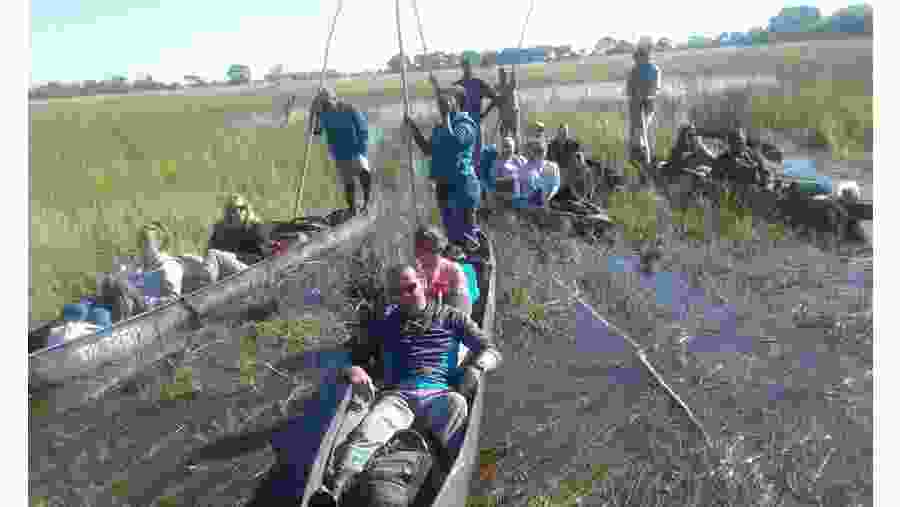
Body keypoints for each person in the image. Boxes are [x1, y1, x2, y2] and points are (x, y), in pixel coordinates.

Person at [315, 263, 502, 504]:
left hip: (439, 394)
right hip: (399, 397)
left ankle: (438, 482)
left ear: (422, 283)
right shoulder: (386, 323)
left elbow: (491, 351)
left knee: (457, 404)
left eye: (410, 288)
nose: (405, 296)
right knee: (368, 431)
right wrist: (353, 369)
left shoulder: (451, 317)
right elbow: (350, 357)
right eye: (396, 292)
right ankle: (338, 490)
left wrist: (477, 367)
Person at [404, 83, 482, 252]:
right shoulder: (440, 126)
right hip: (443, 185)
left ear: (458, 102)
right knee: (452, 235)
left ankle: (476, 262)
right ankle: (457, 261)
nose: (442, 102)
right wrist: (413, 129)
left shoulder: (466, 124)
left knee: (467, 236)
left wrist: (446, 116)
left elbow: (455, 143)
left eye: (448, 99)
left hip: (462, 185)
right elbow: (428, 149)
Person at [96, 222, 185, 323]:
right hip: (130, 306)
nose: (142, 247)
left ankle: (119, 324)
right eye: (139, 242)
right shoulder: (137, 264)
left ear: (158, 243)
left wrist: (139, 297)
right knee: (109, 282)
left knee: (118, 284)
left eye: (146, 242)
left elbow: (172, 301)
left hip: (151, 311)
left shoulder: (170, 267)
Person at [310, 87, 374, 216]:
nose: (326, 107)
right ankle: (352, 210)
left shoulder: (349, 109)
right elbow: (316, 131)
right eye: (323, 105)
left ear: (334, 99)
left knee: (364, 173)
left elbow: (362, 129)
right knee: (348, 183)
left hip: (356, 150)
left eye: (327, 104)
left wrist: (361, 150)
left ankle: (367, 202)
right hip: (340, 154)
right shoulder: (323, 114)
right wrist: (313, 112)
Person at [450, 56, 500, 175]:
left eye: (469, 65)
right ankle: (467, 176)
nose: (467, 68)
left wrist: (484, 114)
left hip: (476, 122)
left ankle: (478, 178)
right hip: (462, 124)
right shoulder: (458, 85)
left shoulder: (479, 83)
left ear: (472, 67)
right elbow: (448, 102)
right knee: (463, 153)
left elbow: (495, 98)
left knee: (477, 154)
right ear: (462, 67)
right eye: (465, 65)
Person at [414, 225, 475, 316]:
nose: (421, 255)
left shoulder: (454, 271)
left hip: (449, 316)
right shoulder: (416, 271)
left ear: (440, 250)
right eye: (418, 249)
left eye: (429, 250)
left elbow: (462, 310)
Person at [626, 38, 662, 163]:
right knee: (635, 131)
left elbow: (656, 88)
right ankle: (636, 156)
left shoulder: (654, 69)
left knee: (642, 130)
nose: (637, 60)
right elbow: (629, 89)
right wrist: (634, 96)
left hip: (647, 104)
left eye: (639, 57)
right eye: (636, 58)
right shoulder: (633, 70)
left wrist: (647, 96)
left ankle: (645, 157)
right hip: (635, 105)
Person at [496, 67, 520, 143]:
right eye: (501, 76)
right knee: (505, 134)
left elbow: (513, 80)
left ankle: (516, 147)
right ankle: (506, 145)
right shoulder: (499, 87)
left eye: (503, 76)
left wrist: (513, 69)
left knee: (514, 133)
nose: (502, 78)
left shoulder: (509, 86)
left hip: (511, 114)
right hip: (505, 115)